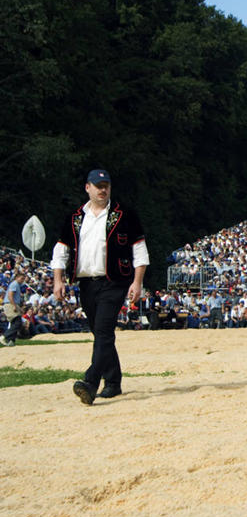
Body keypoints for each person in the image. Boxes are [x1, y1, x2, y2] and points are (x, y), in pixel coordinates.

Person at [51, 169, 149, 405]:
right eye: (98, 185)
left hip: (115, 281)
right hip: (86, 283)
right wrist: (58, 279)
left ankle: (90, 381)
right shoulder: (75, 218)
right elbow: (61, 250)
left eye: (106, 185)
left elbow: (139, 250)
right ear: (88, 188)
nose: (103, 190)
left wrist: (137, 282)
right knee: (100, 333)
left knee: (103, 331)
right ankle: (113, 382)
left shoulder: (125, 215)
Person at [2, 271, 26, 346]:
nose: (22, 280)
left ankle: (11, 341)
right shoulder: (14, 284)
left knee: (14, 322)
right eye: (21, 278)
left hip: (13, 304)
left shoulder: (17, 285)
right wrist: (15, 306)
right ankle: (5, 336)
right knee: (17, 322)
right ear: (16, 278)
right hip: (10, 304)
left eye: (23, 279)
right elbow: (10, 296)